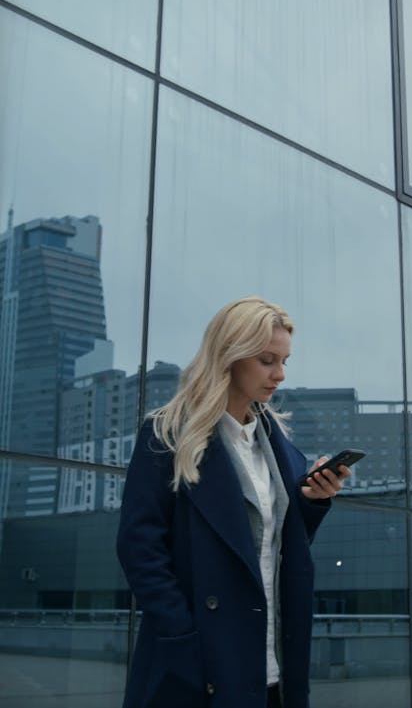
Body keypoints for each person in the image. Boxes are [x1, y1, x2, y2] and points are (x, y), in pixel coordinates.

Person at [117, 297, 350, 708]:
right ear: (230, 356)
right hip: (202, 664)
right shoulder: (167, 436)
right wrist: (182, 636)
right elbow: (140, 550)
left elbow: (269, 550)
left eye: (284, 361)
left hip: (275, 666)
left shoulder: (280, 450)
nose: (279, 374)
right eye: (266, 360)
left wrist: (312, 502)